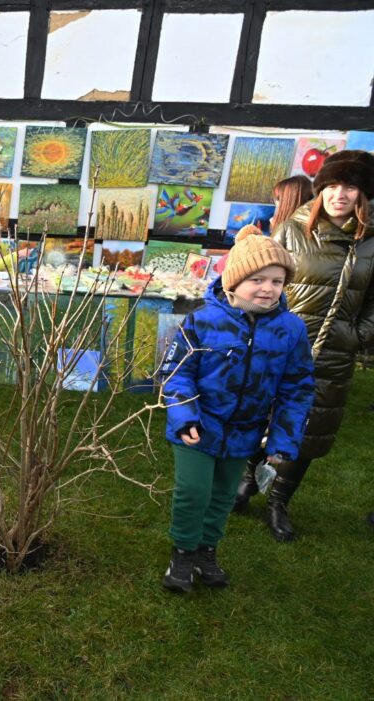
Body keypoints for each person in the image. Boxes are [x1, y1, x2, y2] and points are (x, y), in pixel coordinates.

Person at [159, 225, 313, 592]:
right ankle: (182, 553)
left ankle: (205, 551)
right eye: (257, 279)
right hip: (198, 428)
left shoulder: (291, 330)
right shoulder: (202, 320)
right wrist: (184, 416)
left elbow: (297, 387)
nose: (267, 288)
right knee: (193, 492)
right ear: (233, 280)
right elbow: (175, 373)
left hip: (245, 432)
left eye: (277, 280)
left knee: (223, 497)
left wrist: (283, 438)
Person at [233, 150, 374, 540]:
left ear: (363, 194)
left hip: (333, 354)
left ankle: (278, 502)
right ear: (321, 189)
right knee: (259, 416)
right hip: (280, 347)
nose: (339, 195)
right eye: (331, 185)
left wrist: (355, 336)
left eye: (350, 186)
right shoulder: (292, 230)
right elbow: (263, 284)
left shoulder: (371, 242)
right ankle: (246, 482)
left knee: (308, 431)